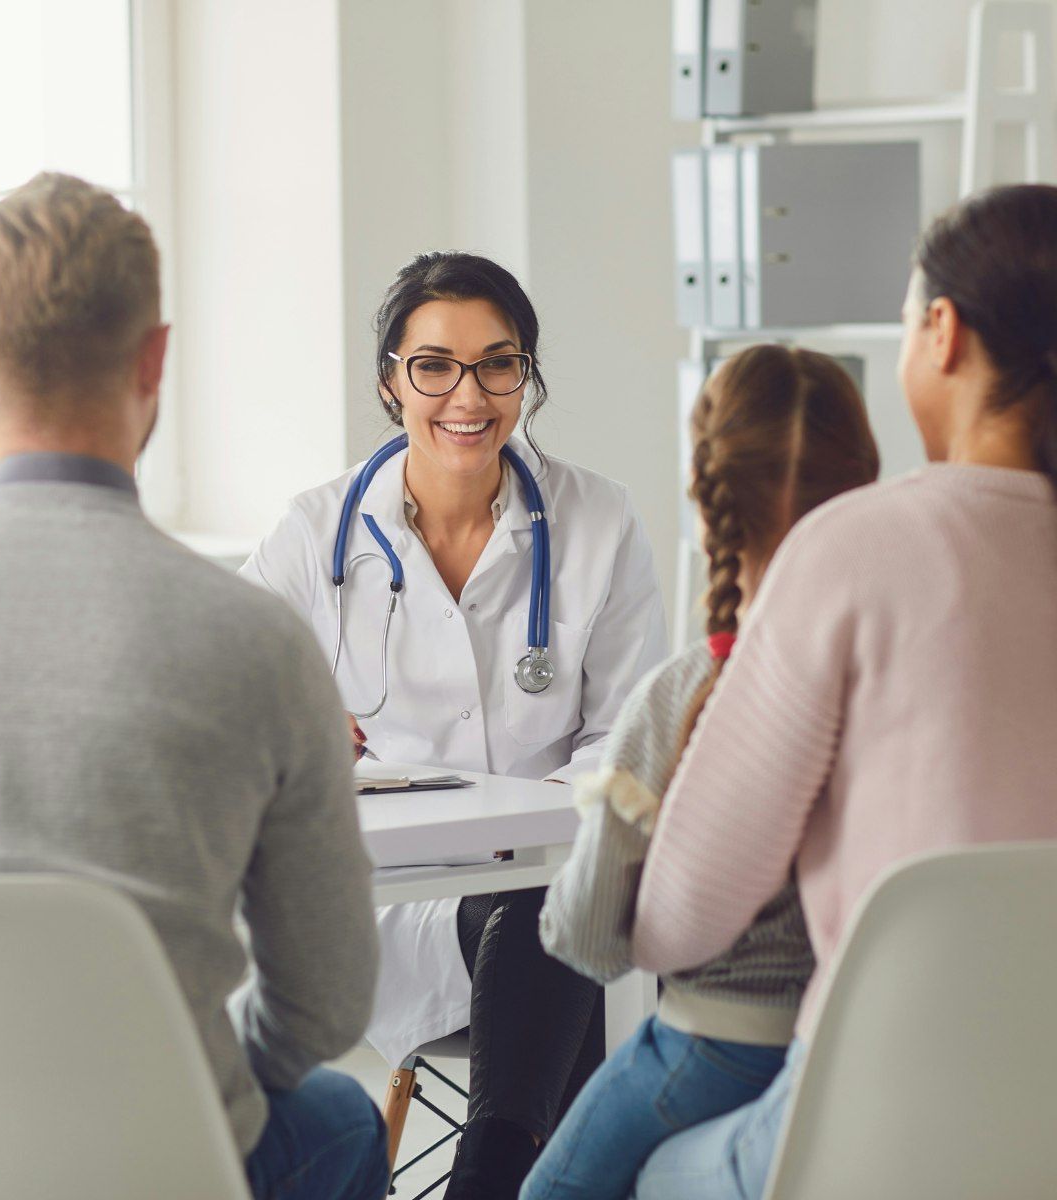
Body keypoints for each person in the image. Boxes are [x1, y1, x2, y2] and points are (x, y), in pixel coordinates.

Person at [0, 173, 387, 1200]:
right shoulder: (259, 643)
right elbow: (327, 1007)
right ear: (156, 357)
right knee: (339, 1118)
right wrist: (193, 1088)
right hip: (164, 1161)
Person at [624, 184, 1057, 1199]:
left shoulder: (853, 550)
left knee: (646, 1175)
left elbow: (680, 915)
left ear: (941, 334)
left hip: (879, 1115)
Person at [240, 251, 667, 1197]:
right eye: (434, 365)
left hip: (556, 887)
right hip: (389, 906)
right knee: (566, 931)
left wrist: (535, 825)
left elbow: (631, 738)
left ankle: (488, 1173)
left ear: (528, 375)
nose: (467, 395)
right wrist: (301, 730)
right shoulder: (316, 537)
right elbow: (225, 703)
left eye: (497, 363)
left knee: (554, 902)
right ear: (391, 380)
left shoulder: (599, 523)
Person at [523, 345, 880, 1200]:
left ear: (704, 498)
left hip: (707, 1049)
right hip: (856, 1050)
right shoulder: (896, 688)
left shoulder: (685, 698)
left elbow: (584, 940)